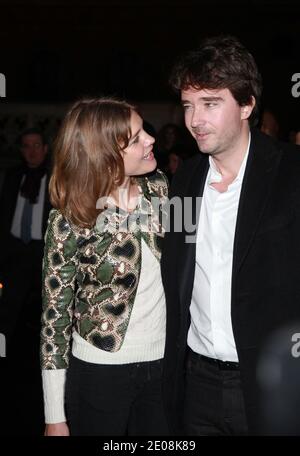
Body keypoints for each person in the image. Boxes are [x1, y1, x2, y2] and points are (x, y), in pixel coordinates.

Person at [161, 35, 300, 435]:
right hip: (196, 383)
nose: (194, 120)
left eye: (210, 103)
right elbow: (175, 270)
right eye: (188, 105)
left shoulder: (291, 172)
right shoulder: (184, 179)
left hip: (268, 381)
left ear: (247, 105)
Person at [41, 98, 169, 436]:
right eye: (138, 137)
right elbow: (55, 320)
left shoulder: (160, 190)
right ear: (108, 154)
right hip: (100, 372)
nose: (150, 139)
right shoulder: (70, 218)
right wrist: (55, 416)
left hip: (163, 366)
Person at [0, 127, 51, 350]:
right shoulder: (13, 176)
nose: (32, 151)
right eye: (27, 146)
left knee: (48, 307)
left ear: (46, 149)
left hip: (44, 251)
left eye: (37, 145)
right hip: (16, 249)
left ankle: (48, 355)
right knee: (8, 306)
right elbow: (4, 212)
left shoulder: (56, 177)